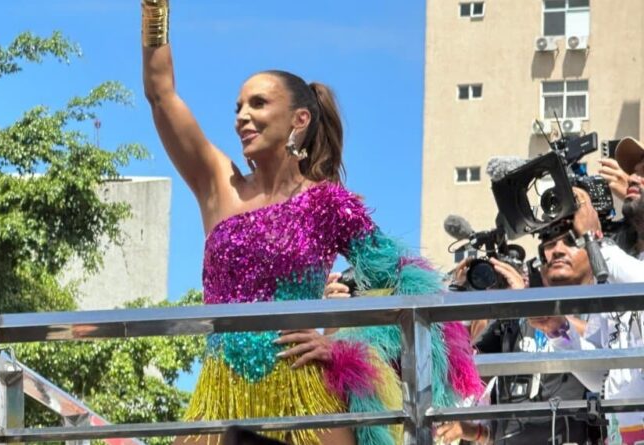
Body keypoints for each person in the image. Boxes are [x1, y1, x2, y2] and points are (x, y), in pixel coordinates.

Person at [140, 1, 482, 444]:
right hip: (219, 395)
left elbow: (412, 290)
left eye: (259, 103)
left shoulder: (328, 204)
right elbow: (160, 94)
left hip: (304, 395)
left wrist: (340, 347)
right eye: (238, 106)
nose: (242, 116)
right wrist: (154, 9)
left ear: (299, 120)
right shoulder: (218, 185)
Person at [529, 186, 644, 444]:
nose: (633, 180)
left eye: (641, 171)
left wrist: (594, 240)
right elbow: (600, 378)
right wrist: (560, 332)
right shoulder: (616, 275)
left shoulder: (619, 266)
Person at [438, 257, 595, 445]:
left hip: (565, 434)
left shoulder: (566, 310)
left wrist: (526, 299)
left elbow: (593, 336)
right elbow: (465, 369)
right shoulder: (504, 327)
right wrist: (459, 291)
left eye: (502, 281)